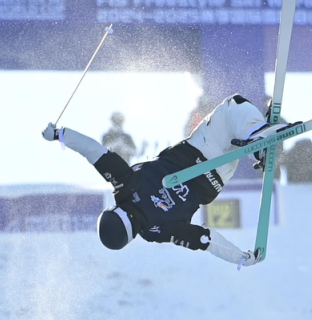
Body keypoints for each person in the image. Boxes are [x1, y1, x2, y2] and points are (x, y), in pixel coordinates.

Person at [42, 94, 292, 267]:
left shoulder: (156, 232)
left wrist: (240, 257)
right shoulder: (125, 186)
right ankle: (257, 137)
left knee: (235, 135)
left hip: (219, 175)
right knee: (232, 106)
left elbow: (203, 239)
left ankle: (257, 139)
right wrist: (60, 134)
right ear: (114, 210)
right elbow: (95, 152)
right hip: (199, 150)